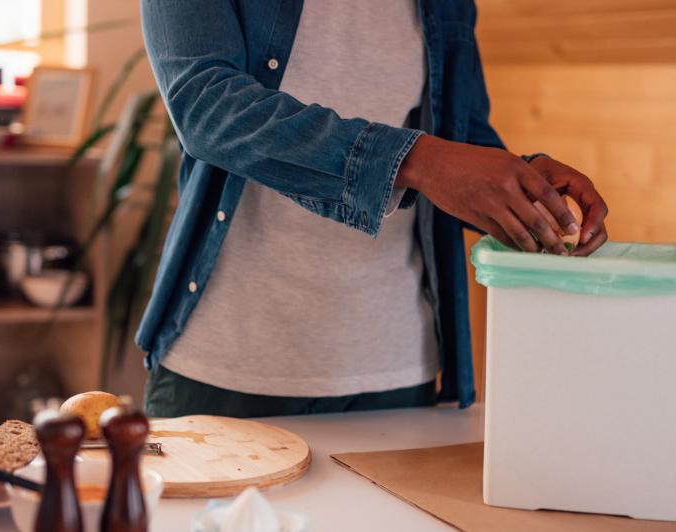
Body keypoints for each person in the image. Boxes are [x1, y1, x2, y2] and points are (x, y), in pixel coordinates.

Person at [138, 0, 609, 418]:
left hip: (399, 368)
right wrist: (418, 160)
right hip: (226, 368)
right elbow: (206, 106)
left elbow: (456, 137)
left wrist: (524, 186)